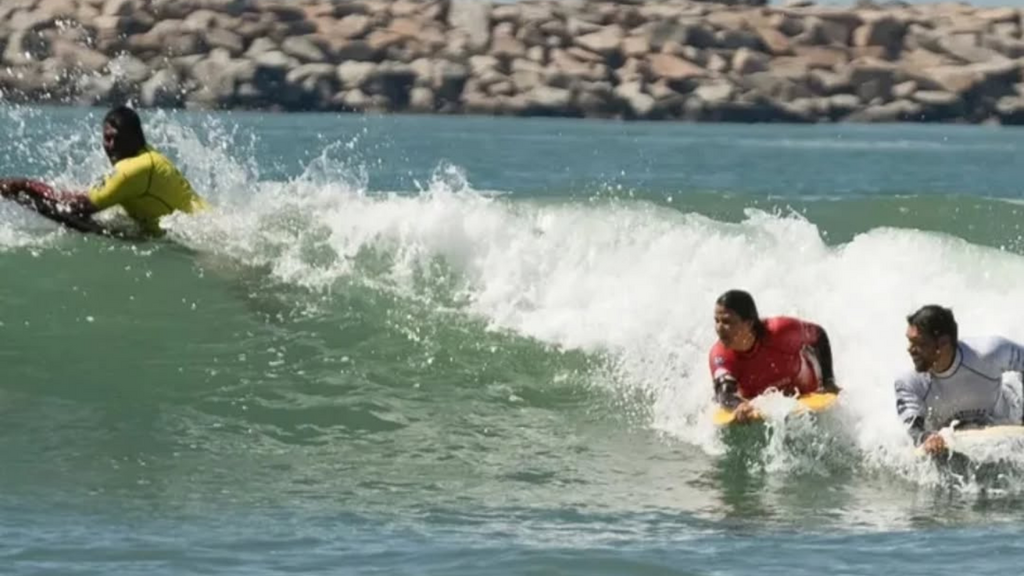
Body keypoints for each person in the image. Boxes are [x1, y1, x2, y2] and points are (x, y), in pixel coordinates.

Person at [0, 105, 206, 236]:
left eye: (118, 138)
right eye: (107, 138)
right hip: (197, 226)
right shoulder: (146, 155)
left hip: (200, 239)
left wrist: (26, 186)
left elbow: (79, 205)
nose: (111, 145)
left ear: (135, 138)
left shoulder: (133, 169)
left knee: (76, 217)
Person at [896, 305, 1024, 456]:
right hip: (954, 438)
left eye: (919, 343)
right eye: (910, 341)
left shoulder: (989, 352)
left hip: (1007, 416)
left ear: (943, 343)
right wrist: (927, 438)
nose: (910, 349)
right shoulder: (909, 383)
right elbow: (914, 429)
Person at [708, 289, 839, 424]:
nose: (719, 328)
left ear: (749, 323)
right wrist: (738, 405)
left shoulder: (781, 331)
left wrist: (828, 381)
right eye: (716, 321)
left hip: (809, 394)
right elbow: (724, 394)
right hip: (763, 410)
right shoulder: (719, 355)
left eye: (726, 322)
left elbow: (818, 335)